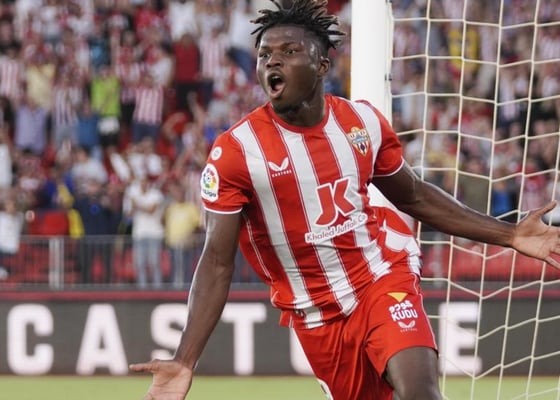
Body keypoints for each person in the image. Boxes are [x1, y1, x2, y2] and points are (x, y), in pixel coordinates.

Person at [129, 1, 560, 400]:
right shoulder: (237, 151)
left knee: (421, 393)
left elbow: (414, 196)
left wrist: (510, 234)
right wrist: (185, 360)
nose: (272, 61)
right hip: (316, 316)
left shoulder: (361, 123)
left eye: (288, 51)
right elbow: (217, 261)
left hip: (380, 278)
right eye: (264, 55)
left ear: (322, 64)